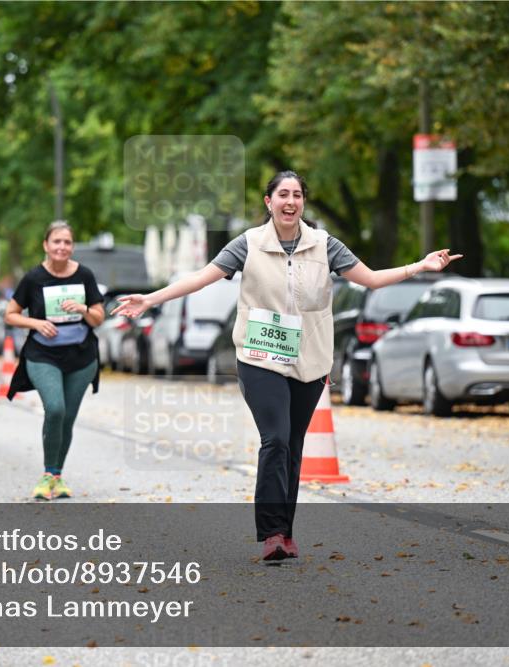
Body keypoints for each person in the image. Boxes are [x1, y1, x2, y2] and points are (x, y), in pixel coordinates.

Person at [114, 171, 461, 561]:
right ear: (269, 202)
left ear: (303, 203)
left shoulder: (325, 245)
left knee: (293, 448)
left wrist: (421, 265)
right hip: (260, 357)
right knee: (275, 439)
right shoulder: (248, 244)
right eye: (283, 194)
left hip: (309, 360)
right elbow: (201, 278)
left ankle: (287, 533)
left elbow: (372, 280)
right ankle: (272, 533)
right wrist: (150, 300)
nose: (290, 201)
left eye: (297, 194)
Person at [4, 221, 105, 501]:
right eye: (56, 242)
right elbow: (10, 314)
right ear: (46, 246)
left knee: (68, 419)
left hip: (81, 358)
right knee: (56, 409)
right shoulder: (34, 278)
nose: (62, 247)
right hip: (43, 354)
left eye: (67, 242)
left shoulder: (84, 275)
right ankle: (48, 474)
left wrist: (84, 308)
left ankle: (57, 476)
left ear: (72, 247)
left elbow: (98, 317)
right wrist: (36, 323)